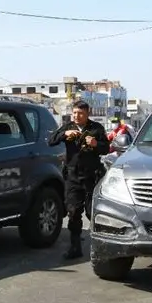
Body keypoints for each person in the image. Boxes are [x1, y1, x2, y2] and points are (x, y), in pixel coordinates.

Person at [49, 101, 109, 260]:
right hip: (73, 177)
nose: (77, 116)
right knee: (73, 212)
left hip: (91, 177)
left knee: (92, 213)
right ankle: (75, 247)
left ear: (87, 113)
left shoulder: (96, 128)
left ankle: (101, 248)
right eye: (75, 113)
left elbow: (106, 148)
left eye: (80, 113)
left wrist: (96, 144)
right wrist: (64, 135)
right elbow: (51, 140)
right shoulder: (68, 127)